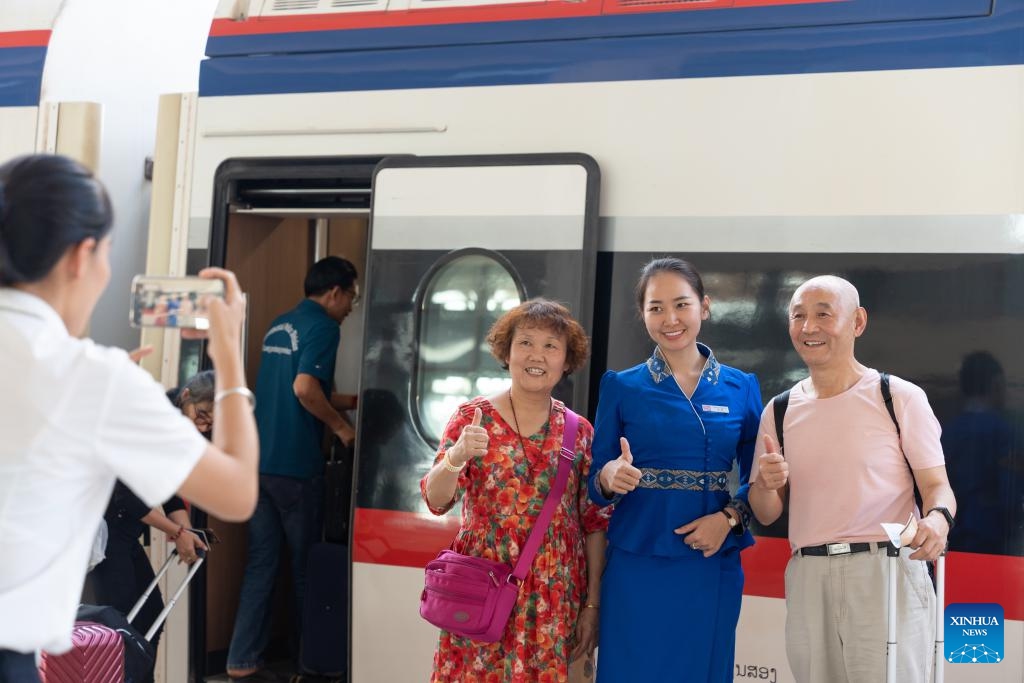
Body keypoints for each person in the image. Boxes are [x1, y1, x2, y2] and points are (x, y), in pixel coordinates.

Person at [0, 153, 258, 683]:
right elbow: (235, 490)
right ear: (81, 254)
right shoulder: (94, 379)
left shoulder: (88, 375)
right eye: (107, 254)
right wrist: (229, 355)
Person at [749, 274, 957, 683]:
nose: (808, 327)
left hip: (885, 571)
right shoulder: (779, 409)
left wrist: (937, 520)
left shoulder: (897, 396)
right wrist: (766, 484)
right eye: (798, 316)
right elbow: (767, 512)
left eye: (823, 315)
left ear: (857, 322)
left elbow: (938, 486)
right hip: (809, 576)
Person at [588, 257, 762, 683]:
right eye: (656, 307)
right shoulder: (622, 386)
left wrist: (729, 519)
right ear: (643, 314)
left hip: (710, 559)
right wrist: (610, 477)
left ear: (705, 306)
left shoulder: (741, 387)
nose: (671, 319)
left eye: (681, 304)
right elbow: (595, 482)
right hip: (637, 558)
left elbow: (761, 482)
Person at [420, 298, 610, 682]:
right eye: (525, 342)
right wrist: (456, 457)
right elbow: (436, 500)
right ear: (506, 351)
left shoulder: (580, 432)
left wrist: (592, 605)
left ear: (566, 360)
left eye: (550, 346)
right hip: (482, 591)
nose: (536, 355)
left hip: (555, 600)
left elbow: (594, 523)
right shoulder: (472, 419)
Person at [227, 256, 360, 681]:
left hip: (258, 463)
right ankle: (310, 665)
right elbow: (305, 389)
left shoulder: (280, 323)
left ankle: (241, 660)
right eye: (351, 298)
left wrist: (355, 402)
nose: (351, 308)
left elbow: (298, 387)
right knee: (306, 569)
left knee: (262, 564)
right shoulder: (324, 326)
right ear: (335, 292)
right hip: (296, 467)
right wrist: (343, 429)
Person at [89, 370, 216, 653]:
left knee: (150, 617)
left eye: (211, 423)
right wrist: (177, 532)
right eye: (202, 415)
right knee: (121, 626)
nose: (204, 428)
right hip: (104, 530)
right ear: (186, 397)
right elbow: (128, 499)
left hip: (123, 530)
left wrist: (187, 530)